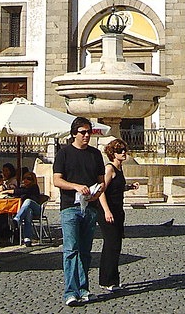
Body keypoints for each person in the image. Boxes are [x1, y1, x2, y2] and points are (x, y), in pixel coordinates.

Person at [53, 116, 105, 307]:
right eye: (83, 132)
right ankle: (70, 292)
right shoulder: (64, 154)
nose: (86, 136)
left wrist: (97, 192)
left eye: (89, 132)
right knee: (70, 250)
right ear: (74, 133)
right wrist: (76, 186)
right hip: (70, 208)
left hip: (90, 208)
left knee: (85, 251)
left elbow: (102, 181)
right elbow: (57, 180)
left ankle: (84, 289)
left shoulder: (95, 154)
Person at [99, 138, 137, 293]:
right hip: (108, 212)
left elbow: (116, 188)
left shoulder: (119, 168)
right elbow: (101, 191)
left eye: (124, 150)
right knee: (111, 244)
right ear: (112, 153)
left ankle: (113, 279)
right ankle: (107, 280)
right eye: (120, 150)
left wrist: (128, 187)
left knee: (116, 245)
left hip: (118, 210)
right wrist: (107, 211)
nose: (124, 153)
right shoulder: (110, 169)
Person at [11, 171, 42, 246]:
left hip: (37, 209)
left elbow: (22, 192)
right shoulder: (23, 188)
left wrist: (10, 191)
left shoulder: (34, 187)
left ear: (33, 180)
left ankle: (17, 219)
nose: (25, 180)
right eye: (24, 178)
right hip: (29, 210)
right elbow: (19, 192)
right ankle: (27, 239)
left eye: (29, 178)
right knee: (28, 212)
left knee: (28, 201)